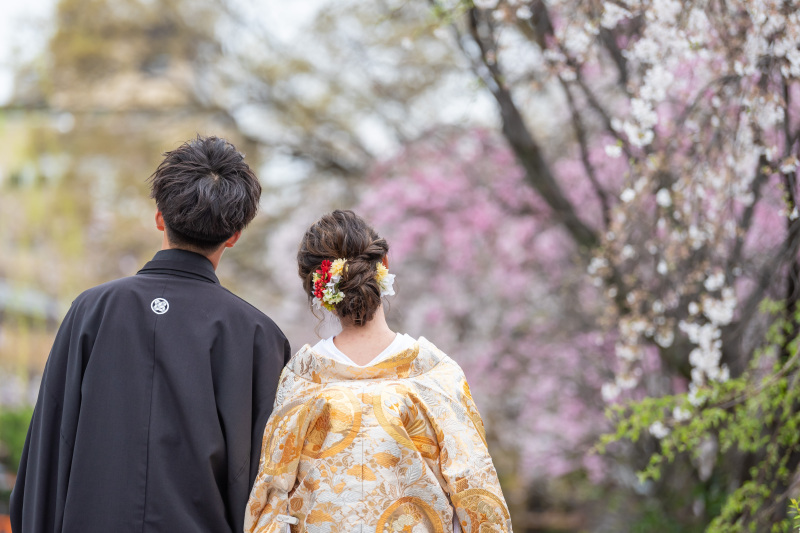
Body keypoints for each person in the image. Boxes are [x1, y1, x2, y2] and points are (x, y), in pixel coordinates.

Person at [10, 136, 290, 533]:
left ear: (159, 216)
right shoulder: (258, 336)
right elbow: (261, 482)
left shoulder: (91, 311)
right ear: (234, 235)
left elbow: (50, 449)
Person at [245, 210, 512, 533]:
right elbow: (478, 497)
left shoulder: (303, 379)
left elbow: (271, 502)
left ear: (316, 287)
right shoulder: (434, 375)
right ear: (383, 264)